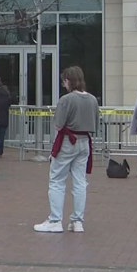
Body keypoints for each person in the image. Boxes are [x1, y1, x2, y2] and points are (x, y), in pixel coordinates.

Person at [35, 66, 99, 234]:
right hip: (85, 141)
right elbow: (96, 124)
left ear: (69, 81)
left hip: (67, 141)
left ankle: (55, 220)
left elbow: (58, 123)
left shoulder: (66, 99)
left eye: (64, 81)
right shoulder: (93, 99)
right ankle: (77, 221)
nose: (64, 84)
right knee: (80, 181)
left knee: (56, 179)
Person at [0, 76, 12, 157]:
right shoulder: (6, 93)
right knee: (1, 136)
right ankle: (0, 152)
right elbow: (9, 103)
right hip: (4, 117)